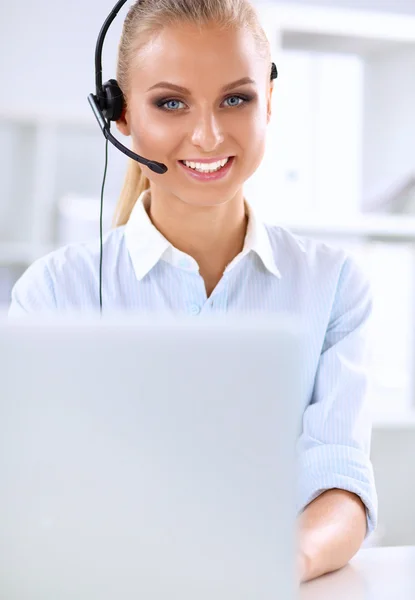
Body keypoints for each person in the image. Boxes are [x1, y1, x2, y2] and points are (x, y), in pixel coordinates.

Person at [9, 0, 377, 583]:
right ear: (120, 114)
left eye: (236, 98)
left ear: (270, 101)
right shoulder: (55, 294)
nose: (207, 135)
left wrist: (273, 565)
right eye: (170, 103)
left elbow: (342, 482)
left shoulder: (332, 285)